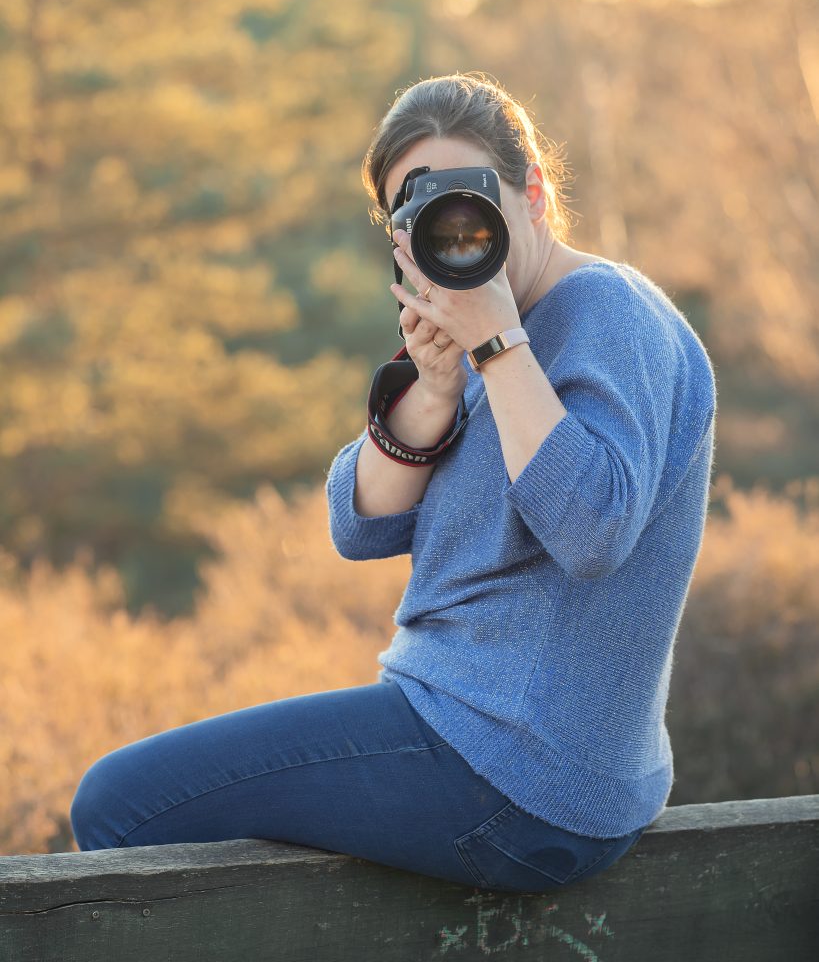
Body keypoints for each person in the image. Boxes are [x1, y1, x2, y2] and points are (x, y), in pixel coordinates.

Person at [70, 72, 716, 895]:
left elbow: (592, 532)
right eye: (417, 209)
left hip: (512, 768)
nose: (456, 226)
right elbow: (358, 523)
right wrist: (434, 393)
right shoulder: (481, 325)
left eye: (468, 193)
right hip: (483, 746)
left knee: (118, 805)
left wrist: (497, 349)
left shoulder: (607, 314)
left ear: (534, 196)